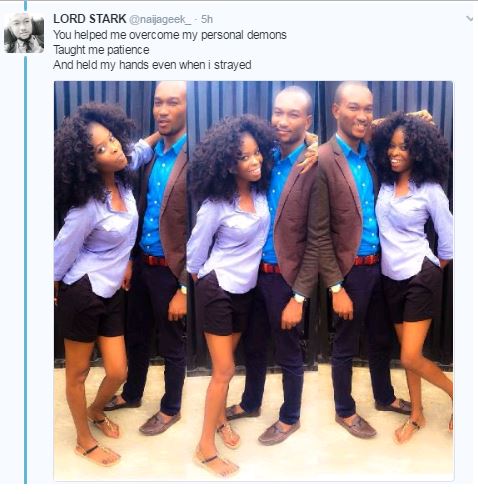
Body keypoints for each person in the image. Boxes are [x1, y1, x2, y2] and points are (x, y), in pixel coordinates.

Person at [54, 103, 155, 466]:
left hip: (110, 290)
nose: (113, 148)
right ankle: (83, 440)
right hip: (82, 292)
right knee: (78, 373)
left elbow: (140, 150)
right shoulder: (87, 208)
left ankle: (96, 410)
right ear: (89, 163)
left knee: (117, 371)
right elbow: (61, 252)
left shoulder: (122, 180)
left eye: (111, 138)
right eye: (101, 148)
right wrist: (52, 286)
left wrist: (162, 132)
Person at [316, 81, 412, 440]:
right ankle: (344, 410)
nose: (363, 115)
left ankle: (384, 397)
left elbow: (381, 126)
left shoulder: (369, 153)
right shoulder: (323, 159)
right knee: (345, 344)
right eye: (353, 107)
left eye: (368, 108)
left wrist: (412, 117)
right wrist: (336, 287)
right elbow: (319, 233)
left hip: (379, 266)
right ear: (335, 110)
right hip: (350, 272)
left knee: (380, 338)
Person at [226, 86, 320, 446]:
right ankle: (251, 403)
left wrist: (298, 296)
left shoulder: (315, 166)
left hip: (285, 279)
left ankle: (290, 417)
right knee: (253, 345)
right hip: (251, 272)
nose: (282, 120)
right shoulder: (262, 156)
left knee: (288, 352)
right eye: (278, 112)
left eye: (293, 114)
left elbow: (316, 239)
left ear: (308, 121)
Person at [187, 114, 275, 476]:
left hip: (245, 290)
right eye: (244, 157)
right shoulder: (215, 205)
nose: (254, 161)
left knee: (226, 366)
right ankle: (205, 447)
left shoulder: (259, 192)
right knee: (224, 370)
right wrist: (205, 288)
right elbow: (195, 255)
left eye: (257, 153)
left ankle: (221, 419)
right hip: (218, 287)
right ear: (227, 164)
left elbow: (307, 140)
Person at [104, 81, 189, 438]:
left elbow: (200, 229)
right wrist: (130, 259)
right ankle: (133, 393)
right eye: (158, 103)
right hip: (142, 263)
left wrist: (184, 287)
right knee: (136, 334)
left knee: (171, 344)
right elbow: (140, 210)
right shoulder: (152, 156)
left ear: (189, 107)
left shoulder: (196, 159)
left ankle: (171, 408)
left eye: (173, 103)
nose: (163, 110)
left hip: (172, 271)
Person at [371, 112, 453, 443]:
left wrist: (429, 272)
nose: (395, 152)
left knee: (409, 355)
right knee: (410, 357)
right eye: (391, 145)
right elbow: (368, 130)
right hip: (391, 278)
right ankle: (417, 414)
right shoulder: (386, 183)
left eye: (404, 146)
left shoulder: (430, 189)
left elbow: (449, 240)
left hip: (420, 275)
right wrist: (402, 119)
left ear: (418, 150)